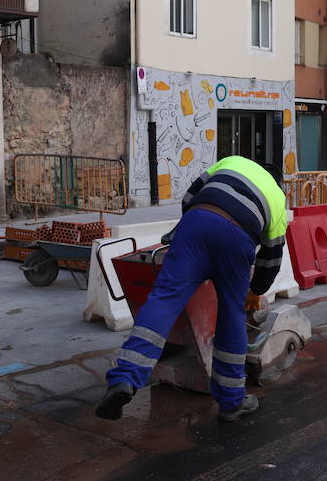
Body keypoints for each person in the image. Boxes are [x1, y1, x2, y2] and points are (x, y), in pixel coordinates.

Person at [96, 156, 287, 422]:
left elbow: (190, 197)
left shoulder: (233, 162)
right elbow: (271, 258)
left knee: (163, 301)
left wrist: (189, 236)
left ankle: (124, 378)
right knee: (231, 314)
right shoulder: (278, 198)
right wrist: (255, 291)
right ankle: (231, 402)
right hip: (237, 238)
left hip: (195, 225)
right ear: (279, 183)